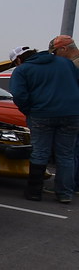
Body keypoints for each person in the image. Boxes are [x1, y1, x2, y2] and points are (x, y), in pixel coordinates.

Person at [8, 44, 79, 203]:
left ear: (19, 59)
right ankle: (65, 194)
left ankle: (34, 192)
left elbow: (19, 95)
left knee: (40, 153)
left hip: (41, 114)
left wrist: (29, 110)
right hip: (72, 114)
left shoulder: (22, 70)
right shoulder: (65, 63)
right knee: (66, 155)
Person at [50, 34, 79, 192]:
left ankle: (69, 186)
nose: (55, 56)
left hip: (73, 113)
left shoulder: (74, 66)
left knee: (70, 152)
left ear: (63, 49)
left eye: (56, 52)